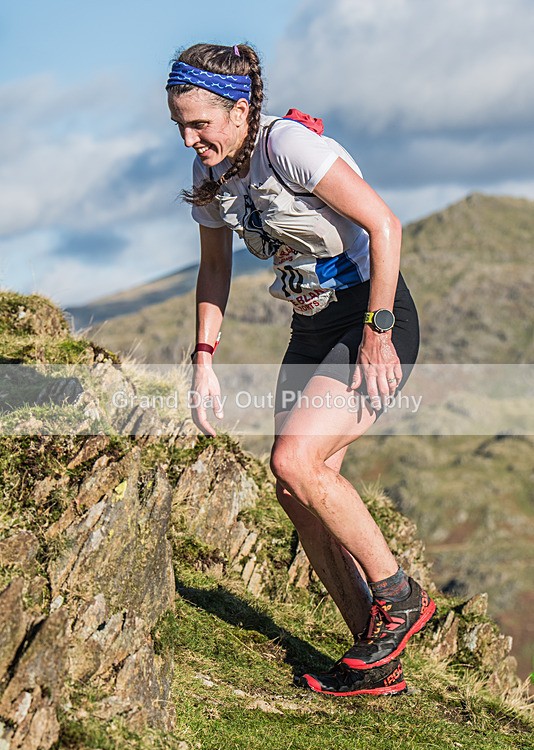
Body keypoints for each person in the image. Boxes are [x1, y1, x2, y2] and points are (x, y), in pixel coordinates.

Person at [166, 42, 436, 697]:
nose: (189, 137)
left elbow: (385, 225)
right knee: (295, 489)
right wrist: (204, 360)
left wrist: (379, 332)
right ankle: (374, 663)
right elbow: (214, 270)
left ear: (237, 111)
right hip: (312, 326)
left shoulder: (286, 147)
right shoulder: (213, 180)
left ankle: (399, 598)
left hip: (369, 314)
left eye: (200, 123)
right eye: (178, 124)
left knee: (296, 461)